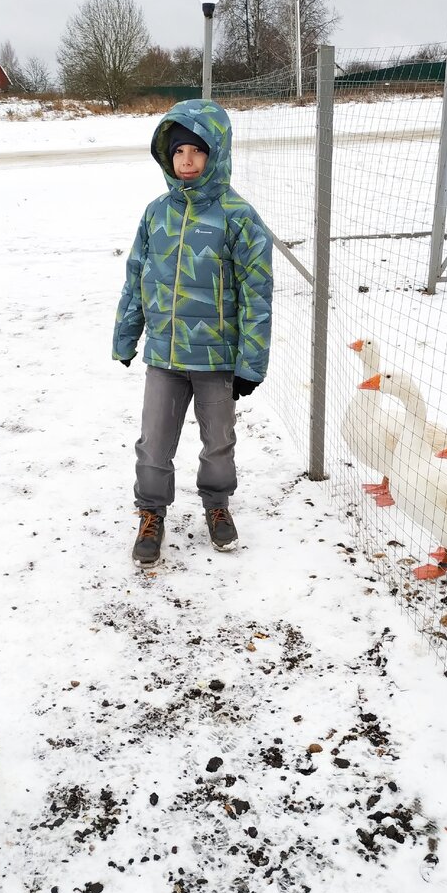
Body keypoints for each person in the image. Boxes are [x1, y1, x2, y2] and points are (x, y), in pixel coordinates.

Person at [113, 99, 273, 566]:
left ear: (216, 155)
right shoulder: (156, 214)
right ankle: (151, 512)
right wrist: (126, 336)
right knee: (154, 442)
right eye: (179, 150)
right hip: (164, 356)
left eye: (197, 152)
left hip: (216, 360)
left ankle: (217, 504)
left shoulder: (238, 217)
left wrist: (250, 364)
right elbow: (137, 277)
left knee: (218, 441)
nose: (187, 160)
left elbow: (257, 295)